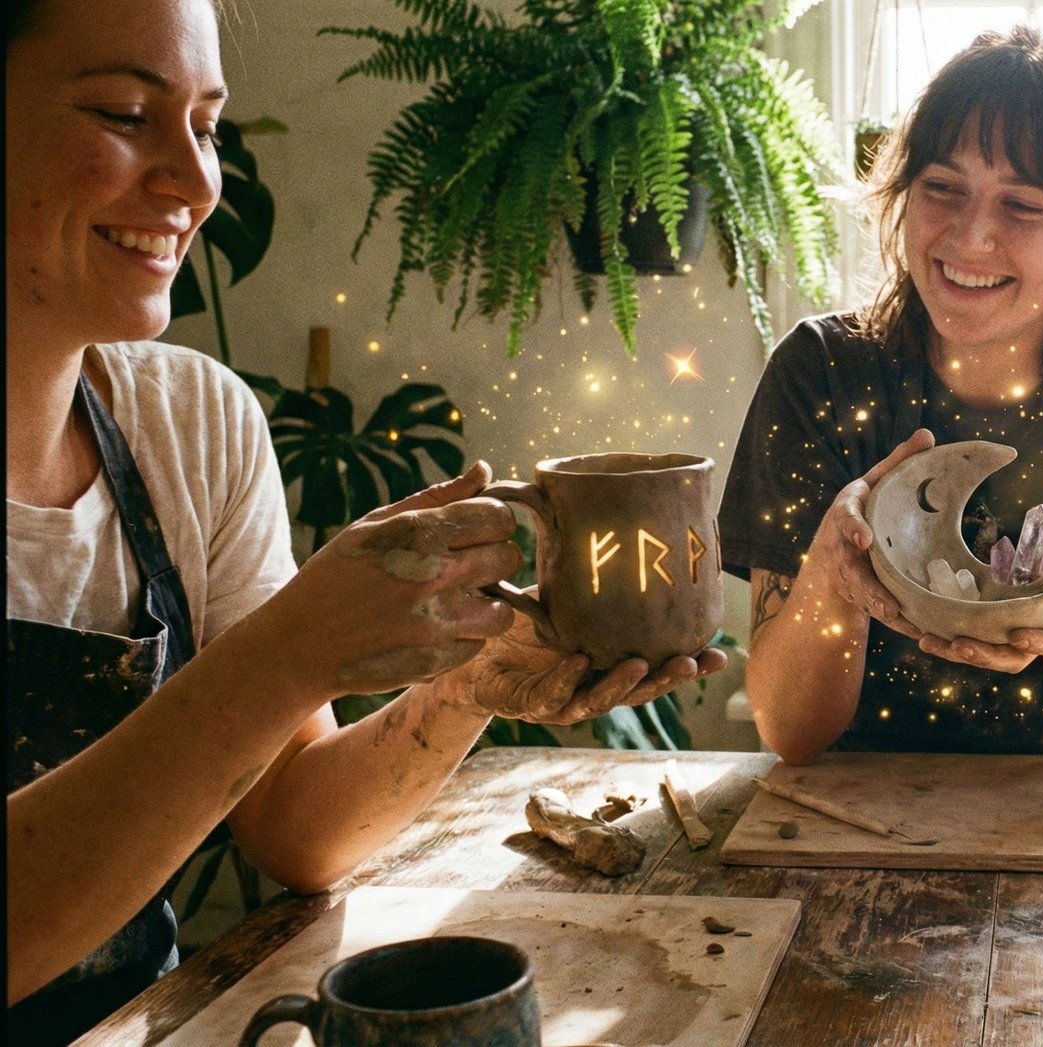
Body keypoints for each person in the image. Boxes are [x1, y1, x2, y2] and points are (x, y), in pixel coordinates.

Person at [4, 1, 723, 1039]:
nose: (198, 182)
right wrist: (282, 657)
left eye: (206, 125)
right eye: (124, 113)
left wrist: (469, 685)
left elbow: (298, 830)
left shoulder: (189, 424)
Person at [718, 26, 1043, 772]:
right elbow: (789, 730)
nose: (970, 235)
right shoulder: (822, 371)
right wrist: (834, 563)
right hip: (854, 810)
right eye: (942, 188)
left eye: (1022, 205)